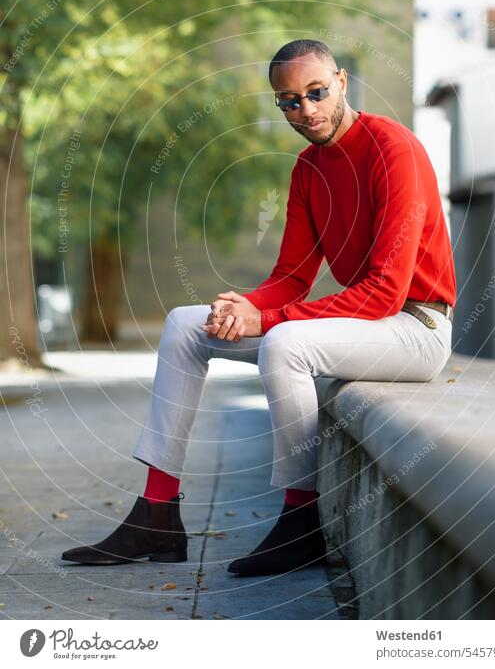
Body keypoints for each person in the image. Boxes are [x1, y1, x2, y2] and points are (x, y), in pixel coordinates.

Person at [62, 39, 456, 576]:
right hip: (367, 327)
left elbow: (385, 290)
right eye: (289, 101)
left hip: (417, 328)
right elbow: (292, 278)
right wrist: (241, 306)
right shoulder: (308, 168)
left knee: (284, 342)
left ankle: (302, 521)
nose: (306, 110)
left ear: (341, 81)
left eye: (316, 93)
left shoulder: (394, 149)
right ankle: (157, 512)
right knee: (185, 325)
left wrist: (264, 320)